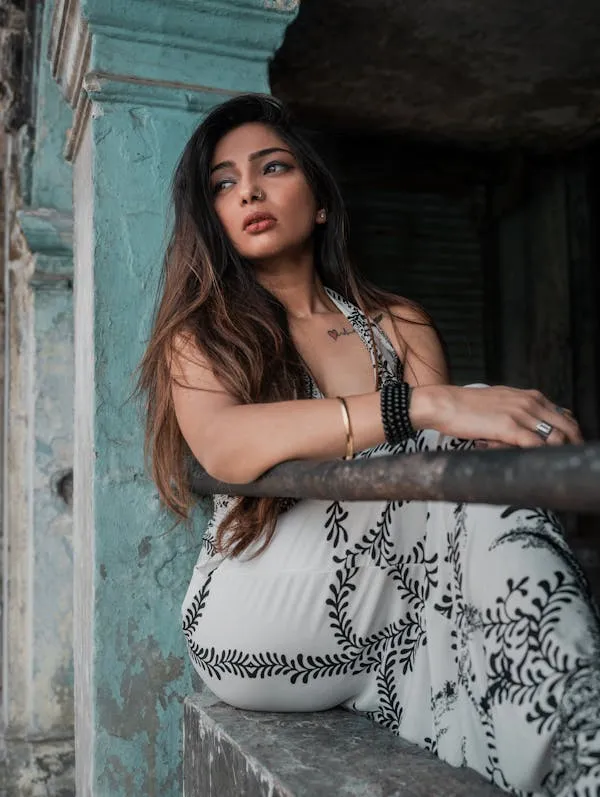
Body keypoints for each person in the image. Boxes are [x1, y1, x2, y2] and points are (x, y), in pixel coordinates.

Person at [137, 93, 600, 796]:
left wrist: (463, 421)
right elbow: (226, 448)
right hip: (258, 616)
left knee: (462, 472)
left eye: (273, 168)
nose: (250, 191)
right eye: (224, 184)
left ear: (320, 200)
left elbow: (444, 511)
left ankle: (577, 746)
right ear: (215, 218)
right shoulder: (203, 333)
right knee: (452, 436)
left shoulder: (399, 324)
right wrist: (425, 401)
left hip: (388, 625)